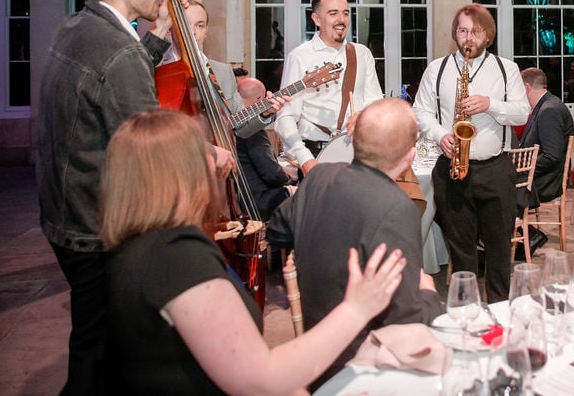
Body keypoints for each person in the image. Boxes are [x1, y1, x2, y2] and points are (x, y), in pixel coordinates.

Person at [36, 0, 235, 395]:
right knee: (100, 354)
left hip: (65, 212)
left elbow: (119, 83)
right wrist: (207, 152)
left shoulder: (79, 26)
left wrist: (160, 32)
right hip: (95, 225)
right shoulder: (119, 50)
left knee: (95, 343)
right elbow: (153, 146)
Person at [102, 108, 406, 395]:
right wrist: (356, 309)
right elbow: (261, 380)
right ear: (181, 175)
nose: (216, 161)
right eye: (203, 152)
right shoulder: (177, 257)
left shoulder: (136, 247)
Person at [267, 97, 441, 387]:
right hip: (363, 363)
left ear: (356, 142)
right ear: (410, 157)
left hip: (315, 346)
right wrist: (429, 294)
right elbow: (407, 318)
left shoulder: (319, 176)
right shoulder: (398, 208)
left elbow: (277, 231)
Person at [412, 4, 530, 302]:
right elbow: (420, 112)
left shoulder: (506, 69)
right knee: (460, 249)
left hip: (495, 169)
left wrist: (490, 104)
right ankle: (465, 311)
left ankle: (499, 307)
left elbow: (522, 112)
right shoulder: (437, 69)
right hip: (450, 167)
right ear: (455, 33)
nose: (468, 38)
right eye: (462, 31)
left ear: (488, 35)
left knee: (499, 248)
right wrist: (439, 135)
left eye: (475, 31)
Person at [275, 0, 383, 174]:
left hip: (358, 153)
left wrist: (365, 116)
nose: (341, 20)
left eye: (345, 13)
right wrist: (305, 160)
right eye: (333, 13)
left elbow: (375, 102)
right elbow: (286, 116)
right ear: (316, 19)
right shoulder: (300, 56)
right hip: (315, 155)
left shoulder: (362, 54)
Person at [183, 0, 282, 138]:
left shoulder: (222, 72)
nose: (193, 32)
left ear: (206, 31)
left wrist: (264, 113)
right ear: (170, 29)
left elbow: (241, 128)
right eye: (186, 24)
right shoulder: (158, 68)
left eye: (200, 25)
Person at [235, 76, 296, 220]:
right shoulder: (252, 130)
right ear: (259, 99)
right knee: (308, 194)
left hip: (237, 199)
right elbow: (272, 175)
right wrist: (292, 178)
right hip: (256, 203)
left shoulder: (228, 123)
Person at [520, 67, 574, 204]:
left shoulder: (549, 110)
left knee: (497, 184)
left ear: (526, 88)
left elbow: (551, 156)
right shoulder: (546, 105)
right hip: (541, 177)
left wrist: (523, 170)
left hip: (545, 183)